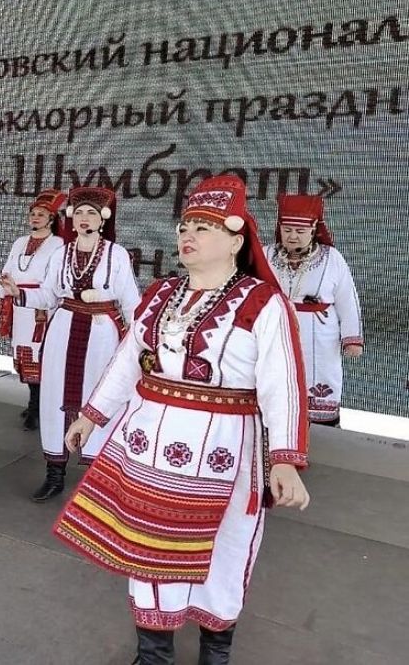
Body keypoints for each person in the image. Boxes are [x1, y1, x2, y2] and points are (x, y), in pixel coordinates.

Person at [55, 175, 311, 665]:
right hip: (149, 449)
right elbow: (129, 360)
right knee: (148, 552)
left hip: (227, 453)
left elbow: (283, 385)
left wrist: (284, 460)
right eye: (185, 225)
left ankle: (215, 653)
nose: (187, 234)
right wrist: (91, 416)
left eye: (204, 227)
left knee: (223, 552)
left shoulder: (263, 303)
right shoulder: (161, 292)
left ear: (237, 240)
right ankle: (154, 655)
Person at [0, 186, 140, 502]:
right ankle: (54, 473)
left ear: (103, 218)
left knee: (99, 396)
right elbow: (48, 295)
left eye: (91, 212)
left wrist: (141, 342)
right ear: (70, 218)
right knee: (54, 398)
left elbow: (132, 303)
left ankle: (96, 481)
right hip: (62, 329)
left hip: (102, 334)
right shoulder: (61, 252)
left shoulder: (116, 254)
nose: (84, 218)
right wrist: (17, 293)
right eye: (79, 213)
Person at [265, 194, 363, 427]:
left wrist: (352, 339)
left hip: (319, 333)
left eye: (299, 231)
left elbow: (347, 299)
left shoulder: (331, 258)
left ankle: (322, 430)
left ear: (313, 230)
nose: (292, 236)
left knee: (320, 375)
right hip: (275, 327)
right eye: (287, 229)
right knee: (276, 375)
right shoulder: (266, 254)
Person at [0, 190, 65, 430]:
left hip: (40, 307)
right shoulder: (20, 242)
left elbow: (54, 279)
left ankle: (39, 408)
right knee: (23, 356)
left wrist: (40, 299)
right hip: (18, 307)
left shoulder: (58, 244)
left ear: (51, 218)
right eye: (33, 214)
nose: (35, 218)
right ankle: (33, 403)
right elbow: (8, 269)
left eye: (41, 214)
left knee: (39, 356)